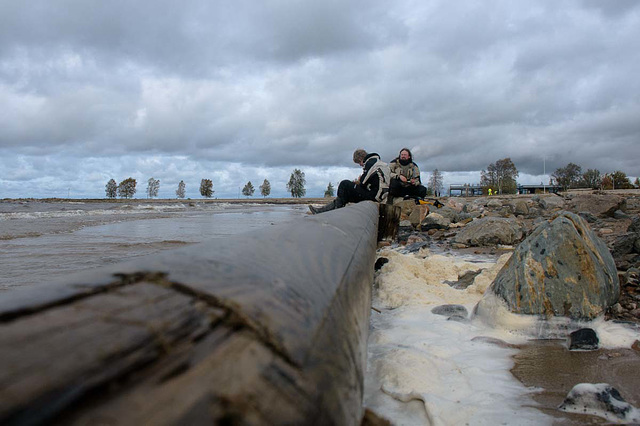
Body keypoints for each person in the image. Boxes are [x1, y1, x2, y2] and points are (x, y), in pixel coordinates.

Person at [308, 149, 390, 214]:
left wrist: (358, 180)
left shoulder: (371, 163)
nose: (361, 165)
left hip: (374, 196)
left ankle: (336, 209)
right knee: (346, 195)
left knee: (344, 184)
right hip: (380, 195)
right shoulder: (380, 163)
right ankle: (325, 210)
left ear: (361, 159)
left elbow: (363, 182)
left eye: (359, 163)